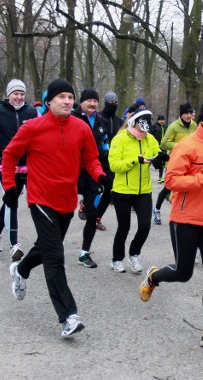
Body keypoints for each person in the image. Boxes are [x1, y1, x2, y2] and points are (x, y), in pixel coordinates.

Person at [3, 78, 110, 338]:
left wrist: (100, 176)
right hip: (40, 199)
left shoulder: (81, 128)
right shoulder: (32, 128)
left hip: (66, 201)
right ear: (49, 101)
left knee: (47, 248)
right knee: (55, 257)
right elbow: (9, 156)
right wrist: (9, 188)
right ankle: (68, 317)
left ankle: (22, 269)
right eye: (61, 97)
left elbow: (91, 159)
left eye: (70, 97)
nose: (67, 101)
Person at [138, 98, 203, 349]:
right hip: (185, 219)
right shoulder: (186, 145)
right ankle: (154, 276)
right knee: (184, 272)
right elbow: (171, 181)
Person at [0, 79, 39, 261]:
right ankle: (14, 245)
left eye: (21, 93)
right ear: (8, 95)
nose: (19, 97)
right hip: (3, 164)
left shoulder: (32, 112)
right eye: (15, 93)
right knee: (12, 202)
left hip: (25, 165)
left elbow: (40, 133)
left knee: (9, 200)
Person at [108, 108, 166, 273]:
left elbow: (156, 153)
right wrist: (135, 160)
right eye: (142, 125)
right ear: (134, 123)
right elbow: (114, 166)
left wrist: (162, 157)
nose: (144, 129)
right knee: (123, 227)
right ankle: (117, 259)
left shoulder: (149, 138)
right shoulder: (120, 139)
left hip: (143, 191)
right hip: (122, 191)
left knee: (145, 226)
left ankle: (134, 254)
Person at [72, 88, 113, 268]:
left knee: (92, 214)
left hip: (92, 170)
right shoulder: (72, 118)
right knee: (61, 212)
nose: (92, 104)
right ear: (82, 102)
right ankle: (50, 246)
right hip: (71, 170)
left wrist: (106, 159)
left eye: (95, 101)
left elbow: (105, 143)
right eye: (88, 100)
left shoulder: (101, 121)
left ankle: (84, 253)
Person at [153, 102, 197, 225]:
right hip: (175, 161)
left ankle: (184, 214)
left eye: (190, 113)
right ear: (181, 114)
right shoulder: (174, 126)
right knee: (169, 187)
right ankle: (156, 209)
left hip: (190, 162)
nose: (189, 116)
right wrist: (180, 146)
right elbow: (164, 143)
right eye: (186, 113)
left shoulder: (194, 126)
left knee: (187, 187)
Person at [150, 114, 167, 182]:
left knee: (162, 162)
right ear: (158, 120)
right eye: (160, 120)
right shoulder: (154, 126)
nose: (162, 121)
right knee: (154, 160)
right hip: (155, 146)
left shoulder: (165, 127)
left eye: (163, 120)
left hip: (163, 147)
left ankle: (160, 177)